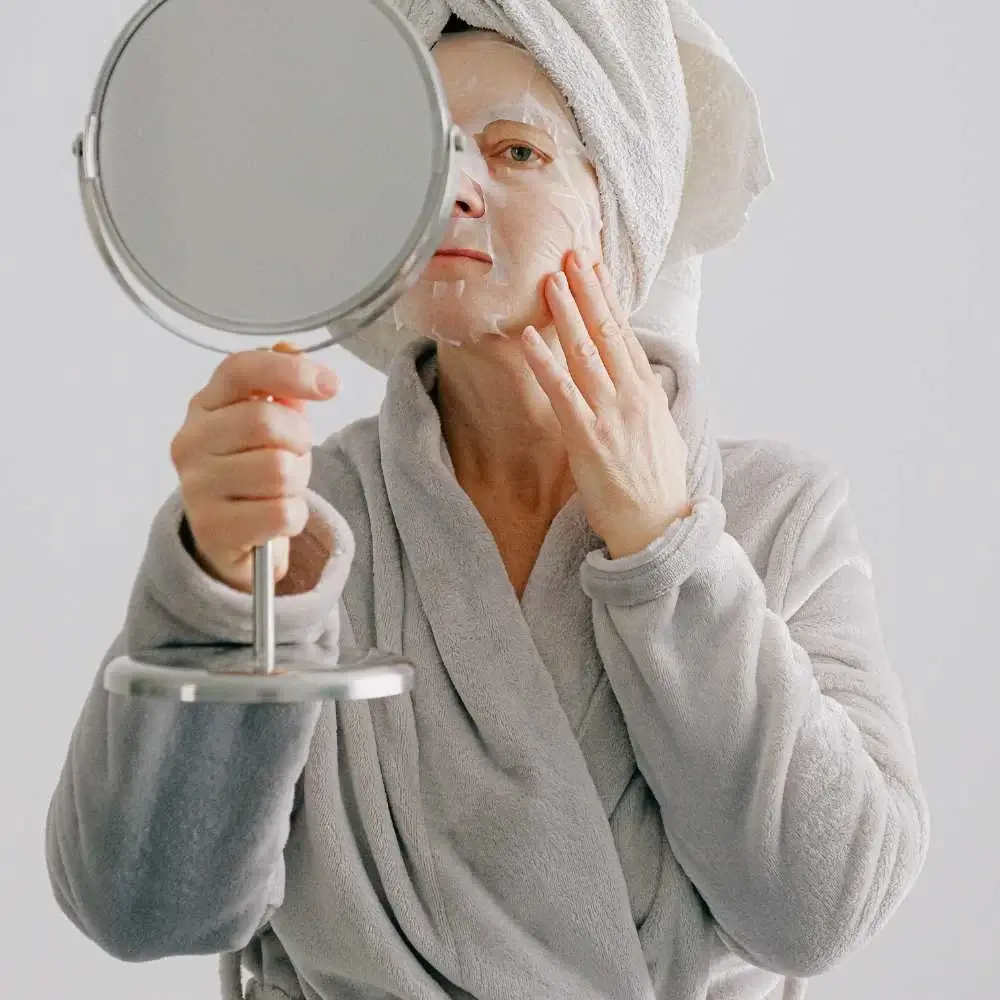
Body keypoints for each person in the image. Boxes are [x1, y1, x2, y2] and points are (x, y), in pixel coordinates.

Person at [45, 9, 929, 1000]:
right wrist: (216, 594)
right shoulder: (303, 516)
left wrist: (668, 550)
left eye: (515, 150)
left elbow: (825, 907)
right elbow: (138, 906)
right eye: (424, 153)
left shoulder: (777, 514)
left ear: (616, 200)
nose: (452, 192)